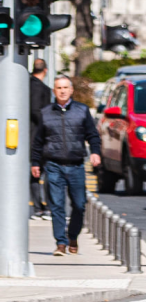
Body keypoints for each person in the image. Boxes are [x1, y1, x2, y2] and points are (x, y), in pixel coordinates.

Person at [31, 76, 101, 256]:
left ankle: (73, 236)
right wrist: (35, 162)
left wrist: (95, 152)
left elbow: (92, 135)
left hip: (76, 165)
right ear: (54, 91)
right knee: (57, 205)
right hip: (53, 165)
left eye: (65, 87)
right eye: (58, 88)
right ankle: (60, 243)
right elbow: (38, 141)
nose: (62, 91)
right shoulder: (45, 113)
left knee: (79, 205)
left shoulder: (82, 110)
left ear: (71, 90)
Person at [28, 58, 51, 220]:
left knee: (36, 173)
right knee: (42, 172)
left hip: (28, 136)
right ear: (46, 70)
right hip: (37, 136)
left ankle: (40, 207)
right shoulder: (40, 88)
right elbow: (36, 110)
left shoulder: (23, 83)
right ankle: (41, 208)